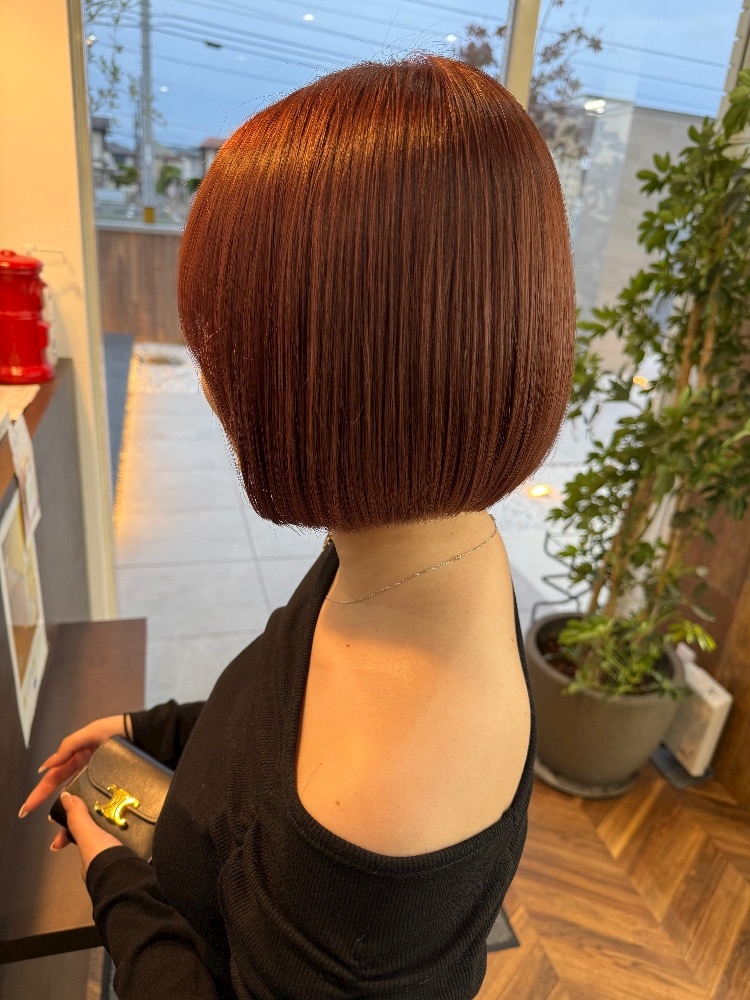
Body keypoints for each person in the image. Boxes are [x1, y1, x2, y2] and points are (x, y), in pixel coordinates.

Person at [19, 54, 575, 999]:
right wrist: (154, 731)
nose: (209, 386)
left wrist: (114, 875)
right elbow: (279, 711)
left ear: (324, 371)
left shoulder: (385, 802)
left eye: (220, 350)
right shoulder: (422, 545)